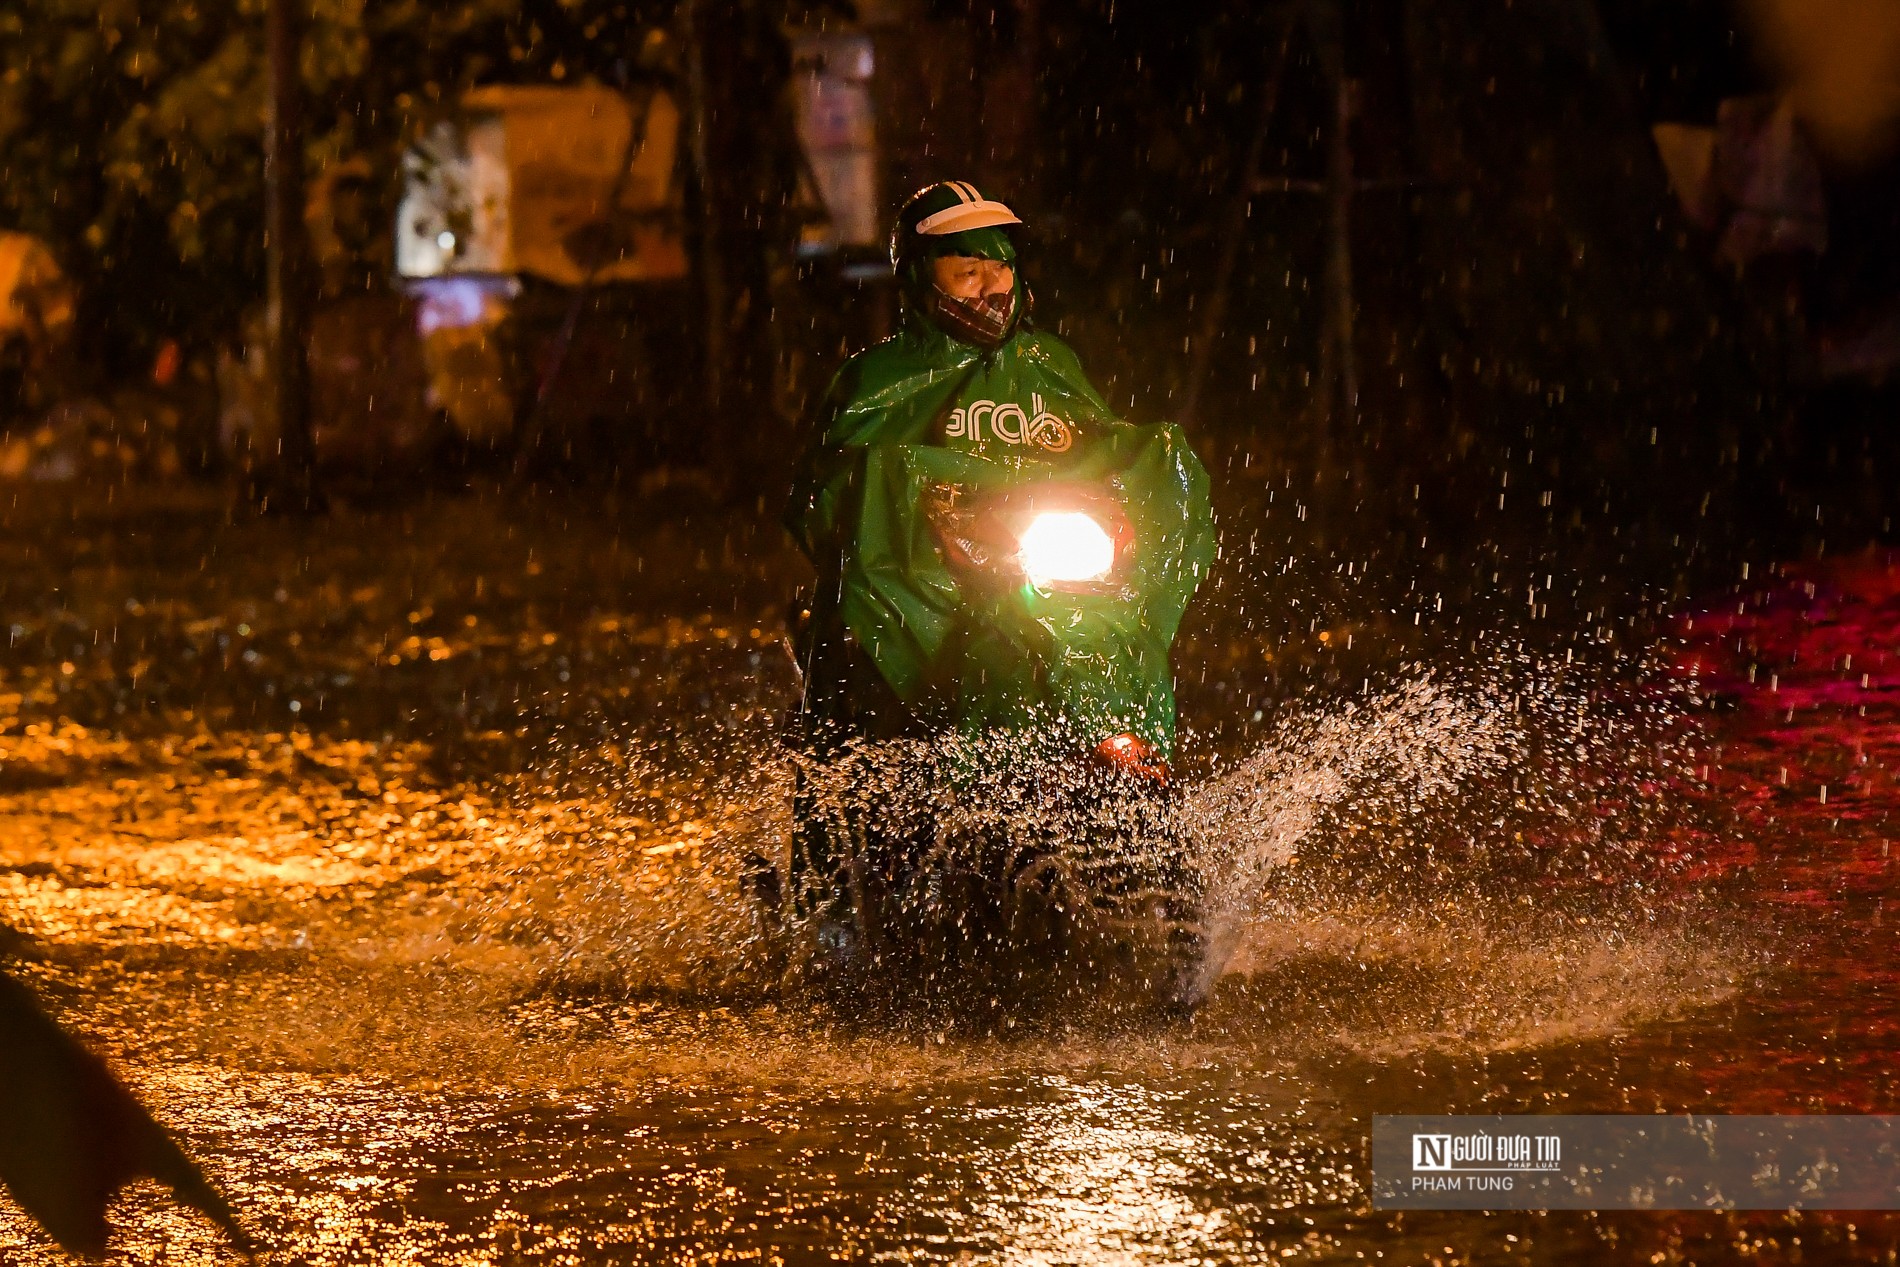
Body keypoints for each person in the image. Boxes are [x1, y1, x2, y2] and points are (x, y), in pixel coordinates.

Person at [777, 180, 1215, 926]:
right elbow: (823, 499)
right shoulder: (874, 381)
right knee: (850, 683)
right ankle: (837, 896)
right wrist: (909, 500)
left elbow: (1102, 449)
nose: (990, 284)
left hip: (1037, 578)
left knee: (1109, 643)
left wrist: (1141, 480)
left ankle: (1131, 786)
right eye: (966, 268)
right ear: (922, 277)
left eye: (1000, 264)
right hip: (925, 599)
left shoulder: (1049, 367)